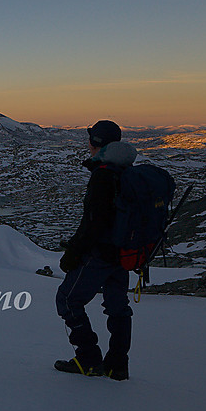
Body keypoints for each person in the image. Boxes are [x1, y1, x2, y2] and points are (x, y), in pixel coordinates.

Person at [54, 120, 137, 381]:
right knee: (118, 307)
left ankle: (89, 359)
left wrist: (75, 252)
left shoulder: (103, 175)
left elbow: (93, 221)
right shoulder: (127, 171)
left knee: (67, 300)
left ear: (96, 142)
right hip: (121, 255)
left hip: (100, 254)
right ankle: (117, 366)